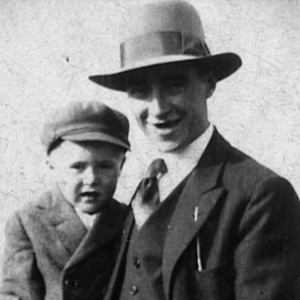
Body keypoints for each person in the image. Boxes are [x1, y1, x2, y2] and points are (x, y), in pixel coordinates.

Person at [88, 1, 300, 300]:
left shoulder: (260, 195)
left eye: (174, 86)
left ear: (209, 84)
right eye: (140, 92)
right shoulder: (145, 189)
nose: (158, 109)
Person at [0, 100, 130, 300]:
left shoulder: (129, 220)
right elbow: (18, 293)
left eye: (105, 166)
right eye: (78, 167)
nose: (92, 179)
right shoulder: (28, 221)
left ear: (121, 166)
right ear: (51, 166)